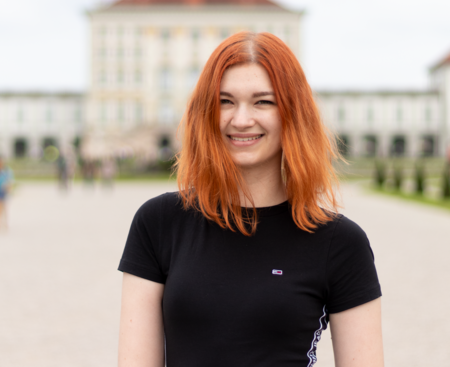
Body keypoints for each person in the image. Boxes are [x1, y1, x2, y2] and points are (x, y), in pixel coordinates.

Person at [118, 32, 384, 367]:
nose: (241, 120)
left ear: (293, 112)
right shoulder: (158, 223)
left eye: (263, 101)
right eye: (225, 101)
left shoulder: (340, 243)